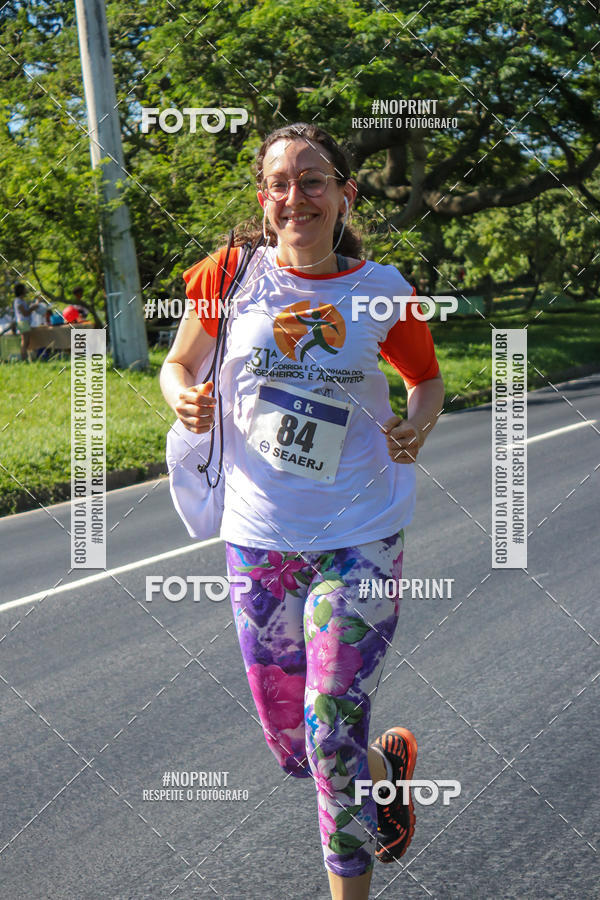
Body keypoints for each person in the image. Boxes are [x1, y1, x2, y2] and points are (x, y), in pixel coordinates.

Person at [160, 123, 444, 899]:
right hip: (260, 539)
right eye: (280, 183)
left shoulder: (381, 288)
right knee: (298, 749)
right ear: (264, 199)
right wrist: (181, 396)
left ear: (345, 194)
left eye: (313, 180)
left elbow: (425, 380)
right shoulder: (229, 276)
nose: (297, 197)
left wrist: (418, 423)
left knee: (329, 731)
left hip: (361, 533)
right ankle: (384, 770)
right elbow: (180, 361)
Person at [12, 283, 39, 361]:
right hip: (22, 323)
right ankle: (23, 359)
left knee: (26, 342)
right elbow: (25, 313)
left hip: (24, 322)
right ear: (21, 290)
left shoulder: (21, 300)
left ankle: (25, 358)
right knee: (25, 341)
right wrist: (32, 308)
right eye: (24, 289)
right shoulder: (18, 301)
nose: (26, 290)